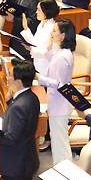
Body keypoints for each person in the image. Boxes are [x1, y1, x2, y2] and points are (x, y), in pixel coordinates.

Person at [31, 19, 75, 165]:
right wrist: (49, 46)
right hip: (56, 102)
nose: (52, 33)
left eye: (54, 31)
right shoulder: (61, 52)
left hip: (59, 104)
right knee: (58, 143)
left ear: (63, 35)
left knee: (60, 145)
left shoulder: (63, 56)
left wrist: (39, 78)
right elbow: (51, 58)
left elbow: (59, 84)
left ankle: (64, 174)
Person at [0, 59, 40, 180]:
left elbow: (11, 138)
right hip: (27, 158)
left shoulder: (18, 106)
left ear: (18, 82)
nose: (7, 77)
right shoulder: (32, 97)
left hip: (16, 164)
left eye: (10, 75)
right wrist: (9, 101)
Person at [19, 0, 60, 65]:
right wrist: (26, 28)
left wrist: (31, 49)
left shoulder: (52, 28)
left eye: (39, 10)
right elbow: (34, 43)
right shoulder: (41, 24)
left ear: (46, 11)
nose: (36, 12)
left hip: (45, 65)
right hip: (37, 63)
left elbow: (46, 52)